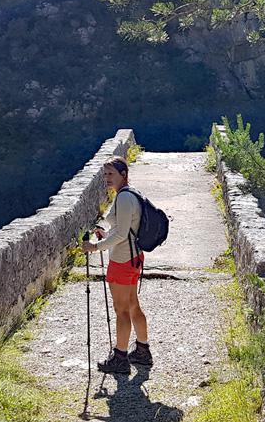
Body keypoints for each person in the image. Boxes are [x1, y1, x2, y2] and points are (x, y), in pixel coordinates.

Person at [81, 155, 153, 374]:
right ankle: (142, 350)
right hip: (134, 256)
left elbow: (122, 234)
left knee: (121, 310)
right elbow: (126, 227)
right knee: (132, 305)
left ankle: (120, 358)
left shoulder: (123, 198)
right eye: (105, 174)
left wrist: (96, 246)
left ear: (124, 174)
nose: (107, 178)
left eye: (111, 174)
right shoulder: (132, 194)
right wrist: (107, 233)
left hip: (122, 260)